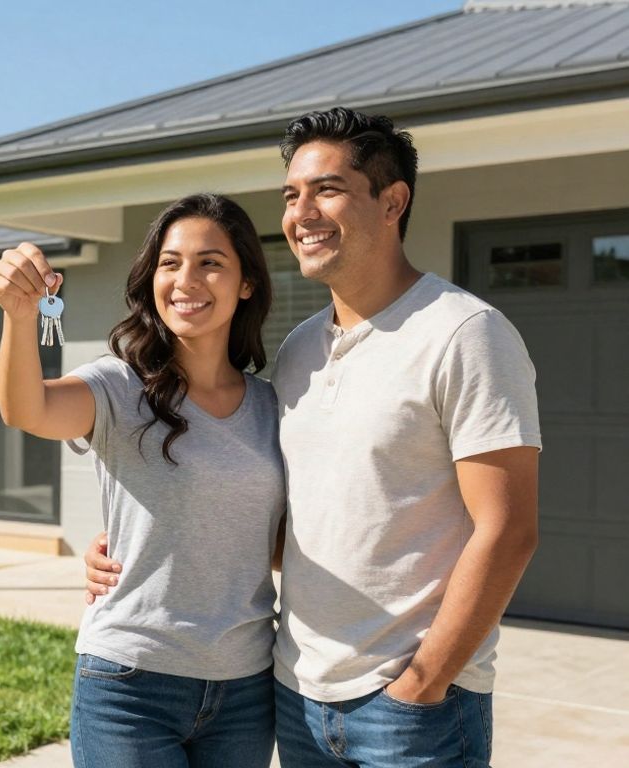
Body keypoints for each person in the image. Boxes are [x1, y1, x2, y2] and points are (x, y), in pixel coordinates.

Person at [84, 107, 541, 768]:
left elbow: (508, 530)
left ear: (393, 202)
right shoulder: (300, 351)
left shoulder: (465, 333)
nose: (302, 212)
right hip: (297, 698)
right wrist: (138, 544)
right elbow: (291, 523)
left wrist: (424, 683)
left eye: (327, 189)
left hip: (413, 710)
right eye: (291, 196)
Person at [0, 193, 281, 768]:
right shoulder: (120, 387)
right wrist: (19, 318)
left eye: (211, 262)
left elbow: (277, 536)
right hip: (130, 682)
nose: (186, 279)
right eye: (170, 263)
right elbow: (28, 410)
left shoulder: (274, 405)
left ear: (246, 283)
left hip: (247, 686)